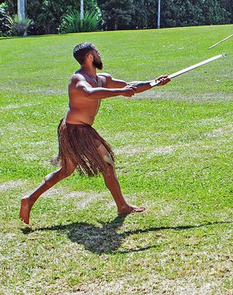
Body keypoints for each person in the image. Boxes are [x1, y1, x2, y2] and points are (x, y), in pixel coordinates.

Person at [20, 42, 170, 225]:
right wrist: (120, 92)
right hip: (76, 131)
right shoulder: (78, 79)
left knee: (66, 170)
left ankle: (30, 198)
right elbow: (90, 93)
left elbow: (130, 85)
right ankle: (122, 205)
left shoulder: (102, 79)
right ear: (90, 57)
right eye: (97, 52)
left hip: (78, 129)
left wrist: (154, 82)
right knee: (107, 164)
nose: (100, 55)